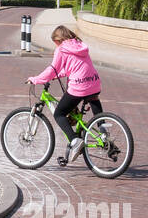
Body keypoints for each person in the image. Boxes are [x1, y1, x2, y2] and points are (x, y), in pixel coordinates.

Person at [27, 25, 102, 161]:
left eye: (55, 43)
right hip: (94, 81)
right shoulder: (79, 45)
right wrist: (55, 76)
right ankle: (104, 133)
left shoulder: (62, 49)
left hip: (79, 85)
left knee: (59, 113)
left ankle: (75, 141)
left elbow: (52, 69)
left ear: (58, 40)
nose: (55, 46)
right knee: (94, 101)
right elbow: (72, 67)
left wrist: (36, 79)